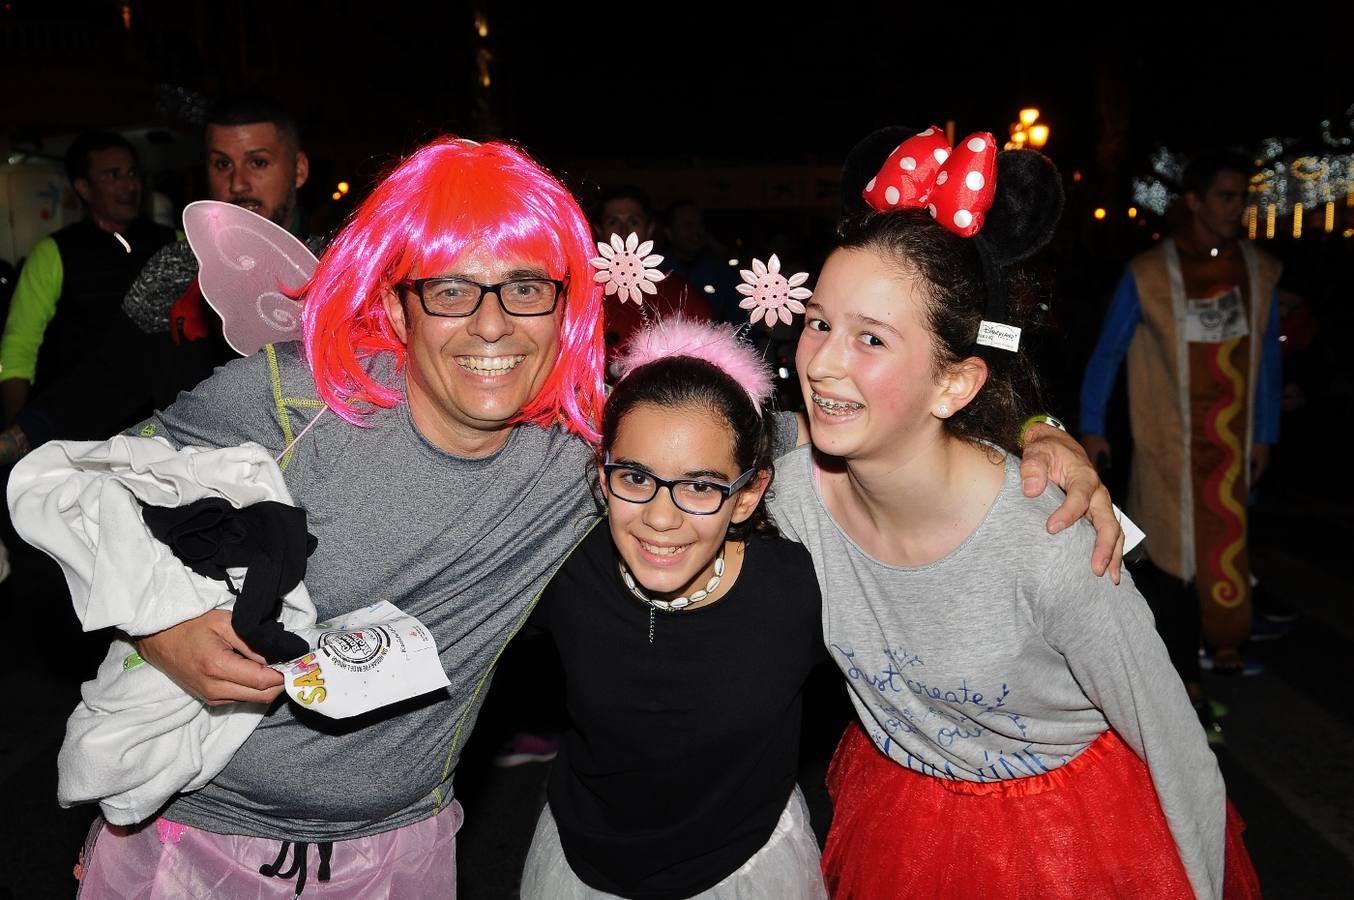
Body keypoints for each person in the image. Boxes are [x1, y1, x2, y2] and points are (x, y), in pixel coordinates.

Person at [19, 135, 1115, 897]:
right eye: (450, 287)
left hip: (399, 854)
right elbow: (53, 481)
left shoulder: (585, 448)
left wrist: (1025, 433)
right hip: (193, 841)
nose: (490, 323)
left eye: (526, 285)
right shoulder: (290, 398)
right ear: (396, 299)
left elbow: (828, 429)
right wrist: (154, 622)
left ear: (567, 301)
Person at [765, 127, 1259, 899]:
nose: (822, 361)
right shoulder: (789, 491)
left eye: (871, 338)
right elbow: (670, 427)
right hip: (909, 816)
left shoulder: (1049, 538)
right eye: (820, 322)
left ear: (954, 385)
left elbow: (1175, 747)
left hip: (1074, 834)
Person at [519, 318, 827, 899]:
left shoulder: (795, 591)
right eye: (636, 477)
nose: (661, 518)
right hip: (584, 861)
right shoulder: (563, 570)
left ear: (749, 497)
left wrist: (1039, 430)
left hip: (741, 866)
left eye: (702, 487)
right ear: (603, 478)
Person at [0, 95, 312, 460]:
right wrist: (18, 437)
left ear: (299, 170)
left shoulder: (342, 269)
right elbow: (108, 378)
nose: (238, 184)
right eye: (222, 164)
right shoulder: (175, 269)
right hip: (198, 497)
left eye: (258, 162)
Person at [1079, 149, 1281, 683]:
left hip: (1230, 443)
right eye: (1224, 195)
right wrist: (1093, 425)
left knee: (1225, 546)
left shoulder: (1258, 272)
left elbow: (1267, 360)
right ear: (1193, 201)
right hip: (1168, 441)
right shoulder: (1150, 273)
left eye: (1241, 196)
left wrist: (1265, 433)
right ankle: (1179, 672)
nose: (1236, 207)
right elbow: (1108, 353)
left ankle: (1222, 645)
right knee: (1169, 558)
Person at [0, 131, 174, 422]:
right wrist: (19, 430)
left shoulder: (172, 243)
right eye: (113, 175)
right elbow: (19, 346)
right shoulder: (54, 253)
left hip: (161, 419)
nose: (129, 185)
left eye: (132, 173)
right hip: (79, 421)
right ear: (83, 188)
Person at [593, 185, 713, 373]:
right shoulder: (581, 293)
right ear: (599, 230)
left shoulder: (684, 297)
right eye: (613, 222)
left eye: (633, 222)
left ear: (649, 229)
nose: (624, 232)